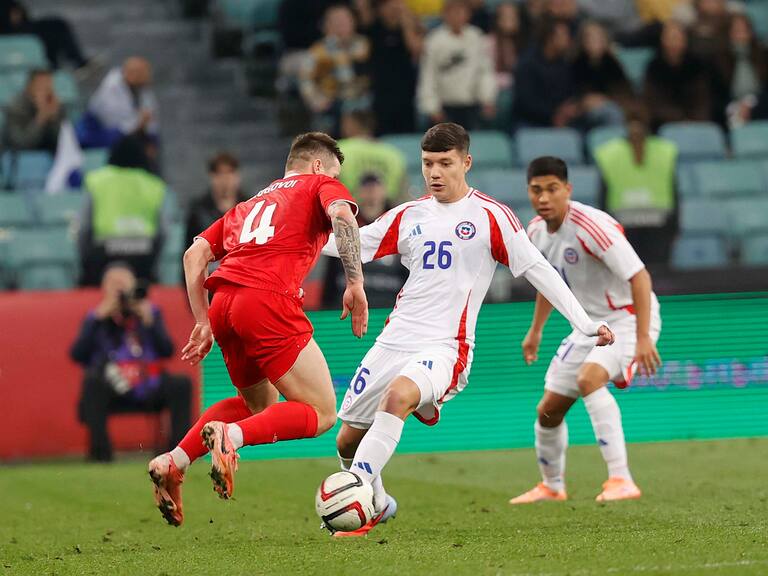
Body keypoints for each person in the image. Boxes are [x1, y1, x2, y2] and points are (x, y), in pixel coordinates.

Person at [321, 123, 614, 537]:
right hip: (394, 339)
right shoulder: (409, 215)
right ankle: (380, 501)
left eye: (445, 163)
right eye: (427, 164)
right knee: (347, 440)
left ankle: (359, 496)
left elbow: (537, 269)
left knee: (399, 396)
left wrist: (584, 324)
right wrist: (291, 238)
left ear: (466, 162)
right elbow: (354, 243)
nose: (435, 172)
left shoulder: (490, 216)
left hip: (446, 345)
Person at [146, 132, 368, 527]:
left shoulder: (251, 203)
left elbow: (194, 254)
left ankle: (173, 461)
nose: (336, 178)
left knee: (256, 407)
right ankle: (231, 438)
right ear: (318, 166)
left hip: (224, 304)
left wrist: (202, 320)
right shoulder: (321, 184)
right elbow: (342, 216)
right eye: (334, 171)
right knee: (321, 412)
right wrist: (355, 283)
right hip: (267, 300)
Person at [510, 156, 662, 505]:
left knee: (589, 379)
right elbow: (548, 284)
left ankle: (622, 479)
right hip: (589, 325)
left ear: (568, 190)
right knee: (548, 410)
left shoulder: (591, 226)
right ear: (529, 192)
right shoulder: (534, 231)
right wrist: (535, 332)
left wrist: (641, 338)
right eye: (536, 190)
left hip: (627, 316)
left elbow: (639, 277)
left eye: (552, 189)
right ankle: (552, 486)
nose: (544, 197)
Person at [70, 262, 192, 462]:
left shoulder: (150, 313)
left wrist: (149, 321)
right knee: (91, 382)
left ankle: (178, 454)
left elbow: (167, 350)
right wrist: (99, 317)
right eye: (114, 284)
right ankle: (101, 455)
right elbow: (78, 354)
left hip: (148, 381)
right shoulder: (96, 317)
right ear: (104, 289)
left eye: (123, 284)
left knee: (181, 384)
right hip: (112, 384)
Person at [78, 135, 167, 286]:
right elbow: (163, 231)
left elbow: (85, 227)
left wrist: (86, 260)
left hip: (103, 252)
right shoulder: (154, 184)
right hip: (144, 252)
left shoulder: (97, 180)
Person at [594, 108, 678, 266]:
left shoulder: (609, 152)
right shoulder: (665, 151)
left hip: (642, 228)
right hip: (646, 227)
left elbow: (602, 197)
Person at [322, 173, 406, 310]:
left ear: (384, 192)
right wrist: (326, 305)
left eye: (375, 188)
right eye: (367, 188)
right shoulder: (344, 225)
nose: (371, 193)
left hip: (389, 305)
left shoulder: (399, 224)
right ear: (359, 193)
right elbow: (331, 273)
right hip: (348, 304)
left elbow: (407, 270)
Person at [417, 0, 497, 130]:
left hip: (471, 106)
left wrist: (487, 98)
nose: (457, 16)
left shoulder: (476, 37)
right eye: (452, 12)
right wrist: (432, 107)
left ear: (468, 14)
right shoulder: (434, 40)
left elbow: (485, 71)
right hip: (445, 107)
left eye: (461, 12)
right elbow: (428, 75)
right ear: (444, 14)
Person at [299, 5, 370, 137]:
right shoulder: (318, 51)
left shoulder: (365, 46)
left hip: (364, 101)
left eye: (345, 20)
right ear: (326, 26)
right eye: (336, 21)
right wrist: (317, 100)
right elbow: (305, 79)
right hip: (334, 104)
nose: (341, 25)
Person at [363, 0, 423, 135]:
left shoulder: (409, 29)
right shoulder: (373, 28)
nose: (392, 8)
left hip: (407, 91)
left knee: (407, 133)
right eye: (387, 4)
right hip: (381, 91)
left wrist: (406, 21)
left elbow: (415, 49)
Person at [643, 20, 712, 130]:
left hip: (696, 123)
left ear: (685, 40)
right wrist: (679, 119)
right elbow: (653, 102)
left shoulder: (696, 66)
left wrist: (694, 120)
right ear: (662, 40)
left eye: (678, 38)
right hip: (663, 124)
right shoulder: (654, 67)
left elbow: (703, 99)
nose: (674, 43)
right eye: (670, 38)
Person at [79, 57, 158, 148]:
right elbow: (115, 125)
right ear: (132, 75)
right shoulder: (110, 91)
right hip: (99, 134)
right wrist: (139, 124)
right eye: (143, 75)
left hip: (129, 130)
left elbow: (150, 116)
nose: (148, 79)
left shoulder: (140, 87)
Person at [513, 18, 576, 128]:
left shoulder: (565, 64)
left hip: (560, 121)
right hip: (530, 122)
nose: (569, 40)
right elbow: (526, 102)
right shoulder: (527, 63)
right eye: (564, 36)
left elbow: (569, 95)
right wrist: (554, 113)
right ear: (550, 38)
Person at [570, 21, 633, 129]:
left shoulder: (613, 64)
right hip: (582, 112)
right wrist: (583, 101)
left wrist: (606, 99)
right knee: (612, 113)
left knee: (614, 112)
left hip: (610, 106)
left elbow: (625, 91)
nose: (595, 42)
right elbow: (570, 93)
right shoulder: (574, 64)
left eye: (599, 37)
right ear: (583, 41)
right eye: (591, 38)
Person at [184, 152, 249, 250]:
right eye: (220, 173)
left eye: (229, 173)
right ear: (212, 177)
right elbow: (189, 249)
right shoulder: (198, 211)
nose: (225, 179)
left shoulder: (250, 207)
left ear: (237, 176)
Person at [338, 111, 407, 203]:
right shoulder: (393, 154)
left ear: (350, 125)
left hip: (350, 209)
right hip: (387, 212)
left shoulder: (338, 149)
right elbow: (403, 193)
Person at [2, 69, 64, 152]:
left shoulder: (55, 107)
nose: (46, 93)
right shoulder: (15, 108)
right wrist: (41, 118)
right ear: (29, 88)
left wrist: (54, 119)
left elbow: (61, 145)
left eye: (49, 88)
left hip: (50, 159)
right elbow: (21, 144)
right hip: (19, 159)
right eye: (41, 87)